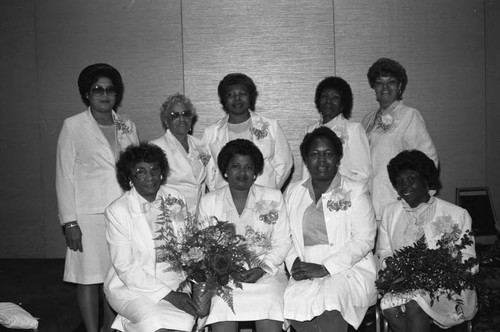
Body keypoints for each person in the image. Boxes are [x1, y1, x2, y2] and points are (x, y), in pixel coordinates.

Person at [56, 63, 139, 332]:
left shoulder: (127, 126)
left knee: (115, 275)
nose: (104, 95)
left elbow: (136, 170)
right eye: (97, 89)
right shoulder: (73, 126)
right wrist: (69, 223)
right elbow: (64, 177)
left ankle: (109, 328)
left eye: (110, 90)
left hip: (122, 213)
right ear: (86, 94)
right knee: (88, 278)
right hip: (87, 217)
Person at [284, 127, 378, 332]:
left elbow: (364, 239)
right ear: (306, 159)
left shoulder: (356, 190)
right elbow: (285, 236)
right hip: (305, 267)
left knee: (332, 302)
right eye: (315, 154)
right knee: (297, 305)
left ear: (338, 157)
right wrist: (295, 263)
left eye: (328, 154)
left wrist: (325, 268)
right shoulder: (293, 191)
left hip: (347, 268)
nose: (321, 160)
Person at [377, 150, 477, 332]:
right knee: (390, 309)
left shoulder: (457, 214)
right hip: (405, 284)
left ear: (425, 180)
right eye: (399, 182)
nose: (404, 186)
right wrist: (391, 265)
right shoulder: (390, 213)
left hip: (446, 288)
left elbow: (470, 263)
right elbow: (383, 251)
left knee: (415, 304)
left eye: (410, 179)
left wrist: (440, 270)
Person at [198, 139, 291, 332]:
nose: (242, 173)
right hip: (225, 277)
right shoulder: (209, 202)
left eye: (248, 167)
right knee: (223, 306)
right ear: (225, 171)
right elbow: (204, 247)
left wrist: (261, 268)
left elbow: (283, 242)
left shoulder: (273, 197)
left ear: (255, 172)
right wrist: (226, 270)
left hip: (267, 274)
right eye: (236, 166)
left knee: (270, 302)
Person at [104, 143, 198, 332]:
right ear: (130, 177)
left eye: (155, 170)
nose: (150, 177)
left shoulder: (175, 197)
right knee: (154, 322)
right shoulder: (117, 211)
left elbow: (187, 244)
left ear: (162, 173)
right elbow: (125, 268)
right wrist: (170, 296)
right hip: (130, 288)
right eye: (141, 171)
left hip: (174, 281)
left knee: (185, 323)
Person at [361, 58, 438, 222]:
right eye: (379, 82)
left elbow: (429, 159)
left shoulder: (409, 115)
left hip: (398, 200)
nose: (385, 87)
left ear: (400, 87)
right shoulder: (367, 120)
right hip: (368, 202)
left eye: (391, 82)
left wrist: (416, 195)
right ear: (374, 87)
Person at [202, 73, 293, 191]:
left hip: (263, 195)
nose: (237, 99)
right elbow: (208, 170)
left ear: (251, 97)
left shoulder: (271, 126)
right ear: (223, 99)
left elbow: (285, 163)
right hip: (225, 197)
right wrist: (218, 194)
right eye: (231, 94)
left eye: (242, 94)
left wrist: (270, 189)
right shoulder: (211, 133)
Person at [302, 76, 371, 183]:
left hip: (344, 195)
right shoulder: (310, 130)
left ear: (343, 104)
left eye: (335, 97)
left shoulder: (354, 129)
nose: (328, 101)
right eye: (324, 96)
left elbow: (363, 173)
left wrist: (338, 190)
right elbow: (306, 171)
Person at [150, 93, 209, 214]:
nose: (181, 119)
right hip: (168, 215)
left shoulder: (200, 145)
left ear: (191, 118)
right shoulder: (155, 147)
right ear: (166, 121)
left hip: (198, 216)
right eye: (174, 115)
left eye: (185, 114)